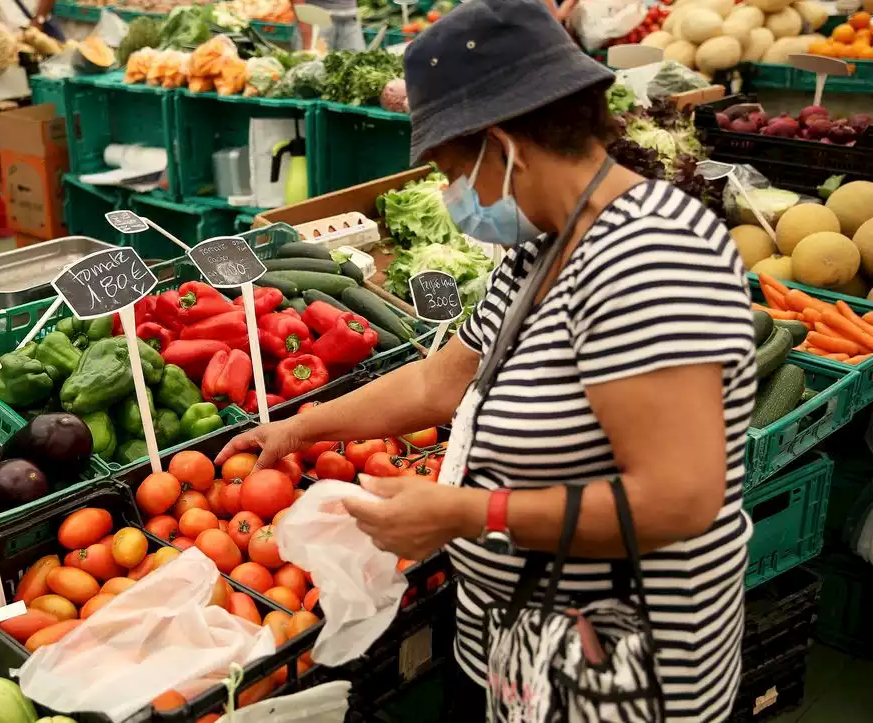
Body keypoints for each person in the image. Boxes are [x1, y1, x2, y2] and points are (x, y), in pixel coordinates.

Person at [217, 0, 753, 720]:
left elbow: (678, 497)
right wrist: (300, 427)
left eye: (447, 166)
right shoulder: (543, 243)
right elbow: (444, 379)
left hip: (619, 675)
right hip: (521, 646)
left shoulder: (651, 256)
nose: (449, 192)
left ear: (503, 144)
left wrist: (472, 511)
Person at [295, 0, 366, 51]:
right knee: (313, 66)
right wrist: (304, 22)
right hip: (317, 20)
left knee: (356, 65)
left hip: (350, 20)